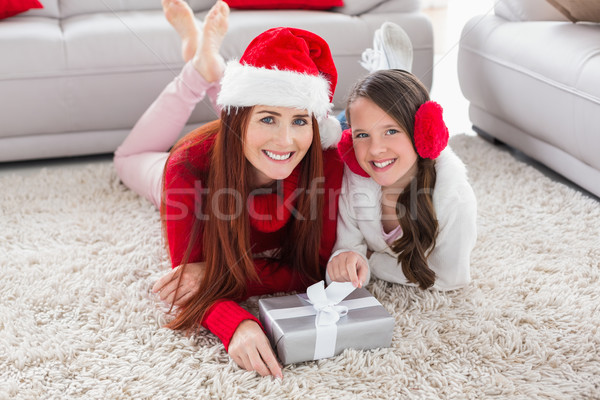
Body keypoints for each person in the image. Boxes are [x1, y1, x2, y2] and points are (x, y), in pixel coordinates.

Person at [113, 0, 344, 379]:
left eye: (300, 120)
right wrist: (234, 322)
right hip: (186, 171)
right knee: (129, 157)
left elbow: (313, 270)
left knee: (267, 136)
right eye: (269, 118)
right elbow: (185, 279)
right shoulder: (187, 167)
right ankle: (198, 69)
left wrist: (216, 272)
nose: (288, 140)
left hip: (240, 141)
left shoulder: (322, 161)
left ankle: (206, 62)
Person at [326, 23, 477, 291]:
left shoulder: (453, 198)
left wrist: (372, 261)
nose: (375, 150)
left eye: (391, 131)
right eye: (362, 136)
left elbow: (451, 277)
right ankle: (385, 72)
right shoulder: (355, 176)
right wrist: (346, 259)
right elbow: (347, 246)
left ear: (423, 134)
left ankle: (388, 71)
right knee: (328, 136)